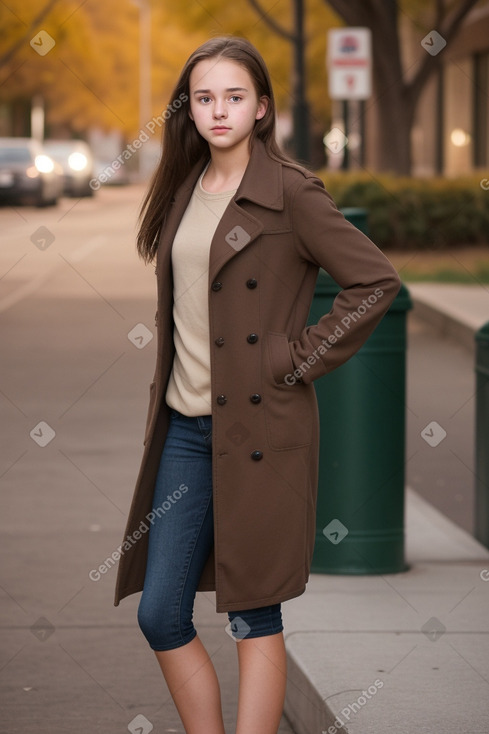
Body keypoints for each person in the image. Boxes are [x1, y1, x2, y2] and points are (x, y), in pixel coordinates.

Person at [114, 35, 401, 734]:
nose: (218, 111)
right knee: (160, 613)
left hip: (262, 434)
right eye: (204, 97)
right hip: (184, 432)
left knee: (252, 608)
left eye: (234, 97)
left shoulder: (292, 194)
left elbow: (374, 282)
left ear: (261, 108)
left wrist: (293, 359)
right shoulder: (182, 188)